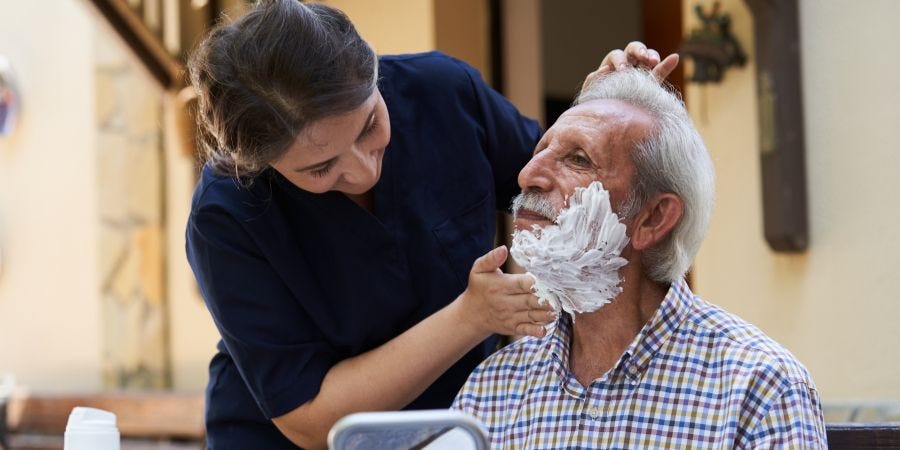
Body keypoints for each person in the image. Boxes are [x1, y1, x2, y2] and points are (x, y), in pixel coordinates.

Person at [184, 1, 675, 448]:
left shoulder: (443, 94)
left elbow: (554, 186)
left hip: (454, 424)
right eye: (320, 168)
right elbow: (311, 419)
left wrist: (596, 115)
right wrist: (470, 317)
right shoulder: (227, 214)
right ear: (260, 164)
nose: (362, 170)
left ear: (374, 74)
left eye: (369, 126)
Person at [452, 68, 827, 448]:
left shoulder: (759, 389)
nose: (528, 175)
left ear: (653, 218)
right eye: (539, 151)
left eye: (578, 159)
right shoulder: (492, 391)